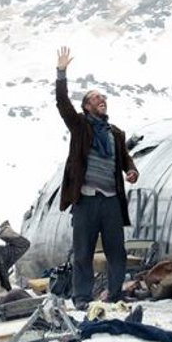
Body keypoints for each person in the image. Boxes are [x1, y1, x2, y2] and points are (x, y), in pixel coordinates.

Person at [54, 46, 139, 309]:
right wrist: (61, 73)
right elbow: (62, 103)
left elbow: (123, 157)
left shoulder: (115, 133)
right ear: (87, 106)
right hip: (87, 199)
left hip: (111, 200)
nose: (101, 100)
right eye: (95, 98)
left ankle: (115, 294)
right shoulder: (80, 126)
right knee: (84, 253)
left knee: (117, 251)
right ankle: (81, 298)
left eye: (103, 97)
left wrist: (131, 170)